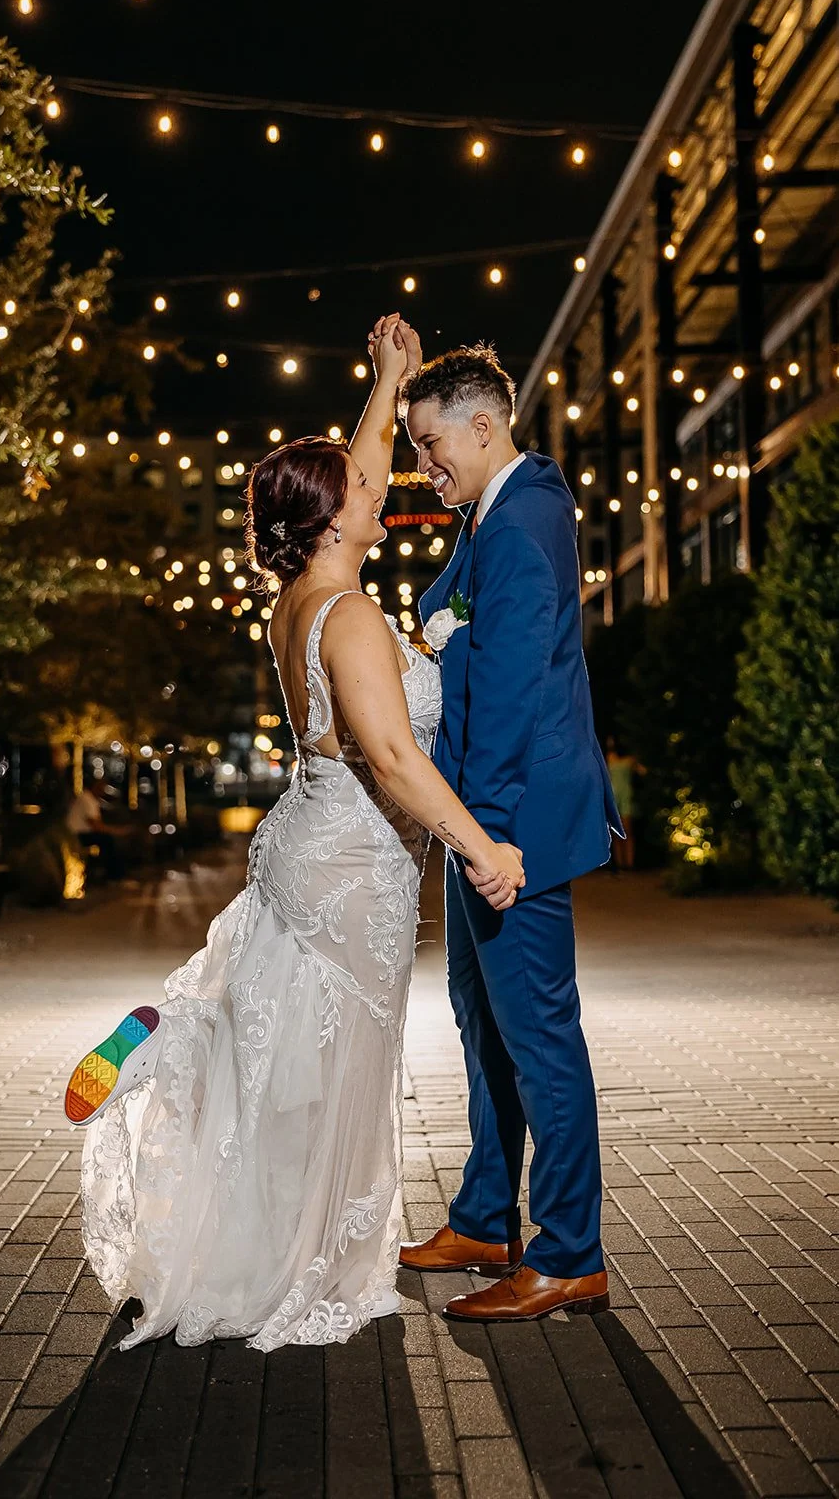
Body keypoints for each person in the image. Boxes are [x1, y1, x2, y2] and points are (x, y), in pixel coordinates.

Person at [73, 316, 524, 1353]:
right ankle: (294, 1251)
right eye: (363, 489)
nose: (382, 486)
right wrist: (481, 850)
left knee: (279, 1057)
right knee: (325, 1074)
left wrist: (387, 381)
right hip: (349, 871)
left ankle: (181, 1051)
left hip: (305, 851)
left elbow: (349, 472)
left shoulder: (302, 600)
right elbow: (395, 759)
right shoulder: (351, 619)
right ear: (328, 523)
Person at [399, 343, 624, 1323]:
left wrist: (482, 838)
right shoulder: (495, 511)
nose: (421, 465)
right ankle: (486, 1218)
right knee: (482, 1017)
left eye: (429, 443)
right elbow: (446, 618)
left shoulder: (523, 523)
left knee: (536, 1034)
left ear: (483, 425)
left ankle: (568, 1252)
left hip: (509, 822)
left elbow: (507, 692)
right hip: (484, 820)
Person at [66, 781, 126, 881]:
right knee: (108, 840)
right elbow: (95, 825)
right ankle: (113, 875)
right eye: (101, 788)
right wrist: (116, 831)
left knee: (107, 840)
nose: (103, 791)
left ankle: (111, 873)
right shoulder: (86, 799)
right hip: (76, 836)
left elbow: (97, 823)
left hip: (82, 834)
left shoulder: (91, 800)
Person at [605, 738, 640, 871]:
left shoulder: (628, 760)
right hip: (617, 796)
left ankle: (628, 863)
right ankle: (621, 863)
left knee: (626, 831)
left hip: (623, 796)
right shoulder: (612, 758)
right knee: (619, 832)